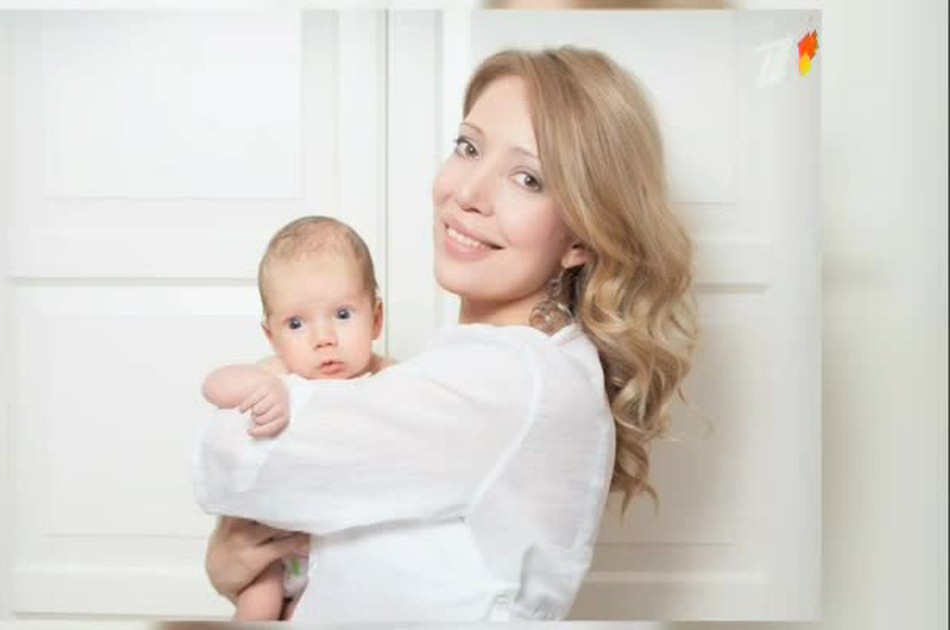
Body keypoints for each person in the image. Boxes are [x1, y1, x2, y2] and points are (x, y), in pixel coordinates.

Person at [194, 46, 697, 621]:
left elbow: (236, 459)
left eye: (528, 178)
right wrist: (243, 568)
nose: (468, 194)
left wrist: (268, 382)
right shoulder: (504, 365)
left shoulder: (508, 379)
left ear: (582, 236)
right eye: (469, 147)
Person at [201, 215, 393, 620]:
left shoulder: (388, 376)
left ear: (376, 318)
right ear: (272, 336)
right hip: (277, 548)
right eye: (296, 323)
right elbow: (214, 385)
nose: (323, 338)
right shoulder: (276, 373)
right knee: (260, 601)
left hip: (345, 551)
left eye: (343, 314)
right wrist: (261, 388)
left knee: (317, 613)